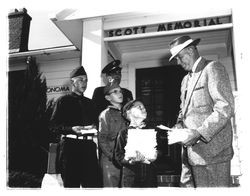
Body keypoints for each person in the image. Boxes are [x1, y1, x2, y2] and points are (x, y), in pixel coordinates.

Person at [164, 35, 235, 187]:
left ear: (190, 50)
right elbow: (184, 110)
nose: (178, 62)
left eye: (179, 57)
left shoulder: (213, 68)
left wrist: (199, 133)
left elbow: (225, 107)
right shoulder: (185, 80)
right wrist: (179, 124)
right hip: (191, 154)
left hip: (214, 154)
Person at [50, 66, 99, 188]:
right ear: (73, 82)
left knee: (92, 186)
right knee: (72, 186)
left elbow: (96, 124)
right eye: (81, 79)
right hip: (70, 148)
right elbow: (53, 125)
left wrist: (94, 127)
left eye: (86, 80)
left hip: (89, 148)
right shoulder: (63, 101)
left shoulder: (90, 103)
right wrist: (71, 129)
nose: (84, 83)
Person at [114, 100, 158, 187]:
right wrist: (130, 161)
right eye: (139, 107)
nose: (143, 108)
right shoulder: (123, 133)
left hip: (149, 174)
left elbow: (160, 150)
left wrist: (156, 155)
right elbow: (118, 156)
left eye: (144, 107)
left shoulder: (152, 130)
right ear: (128, 112)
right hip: (130, 175)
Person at [98, 82, 127, 187]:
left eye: (120, 91)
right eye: (115, 92)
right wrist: (113, 157)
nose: (120, 94)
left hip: (126, 159)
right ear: (108, 97)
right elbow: (102, 139)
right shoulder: (106, 114)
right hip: (111, 160)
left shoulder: (127, 113)